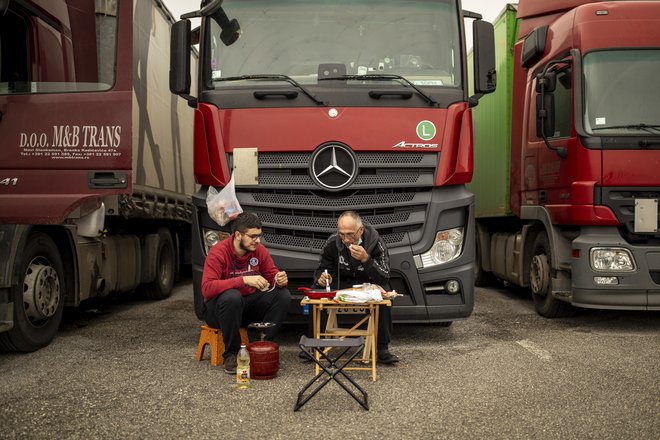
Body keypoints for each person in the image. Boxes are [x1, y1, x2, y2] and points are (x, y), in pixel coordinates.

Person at [201, 212, 291, 374]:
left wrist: (280, 279)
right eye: (253, 236)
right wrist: (243, 280)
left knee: (282, 295)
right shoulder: (218, 252)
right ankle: (232, 354)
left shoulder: (259, 250)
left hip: (244, 307)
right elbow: (207, 288)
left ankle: (262, 347)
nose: (258, 240)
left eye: (260, 236)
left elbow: (272, 275)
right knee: (231, 297)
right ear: (237, 235)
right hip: (218, 311)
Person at [312, 211, 399, 364]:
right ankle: (316, 346)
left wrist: (367, 260)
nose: (345, 239)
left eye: (350, 234)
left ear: (360, 230)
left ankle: (382, 348)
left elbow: (385, 275)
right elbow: (321, 268)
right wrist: (322, 277)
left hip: (367, 283)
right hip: (342, 283)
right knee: (315, 290)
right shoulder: (333, 241)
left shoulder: (375, 241)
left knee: (384, 292)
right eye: (342, 234)